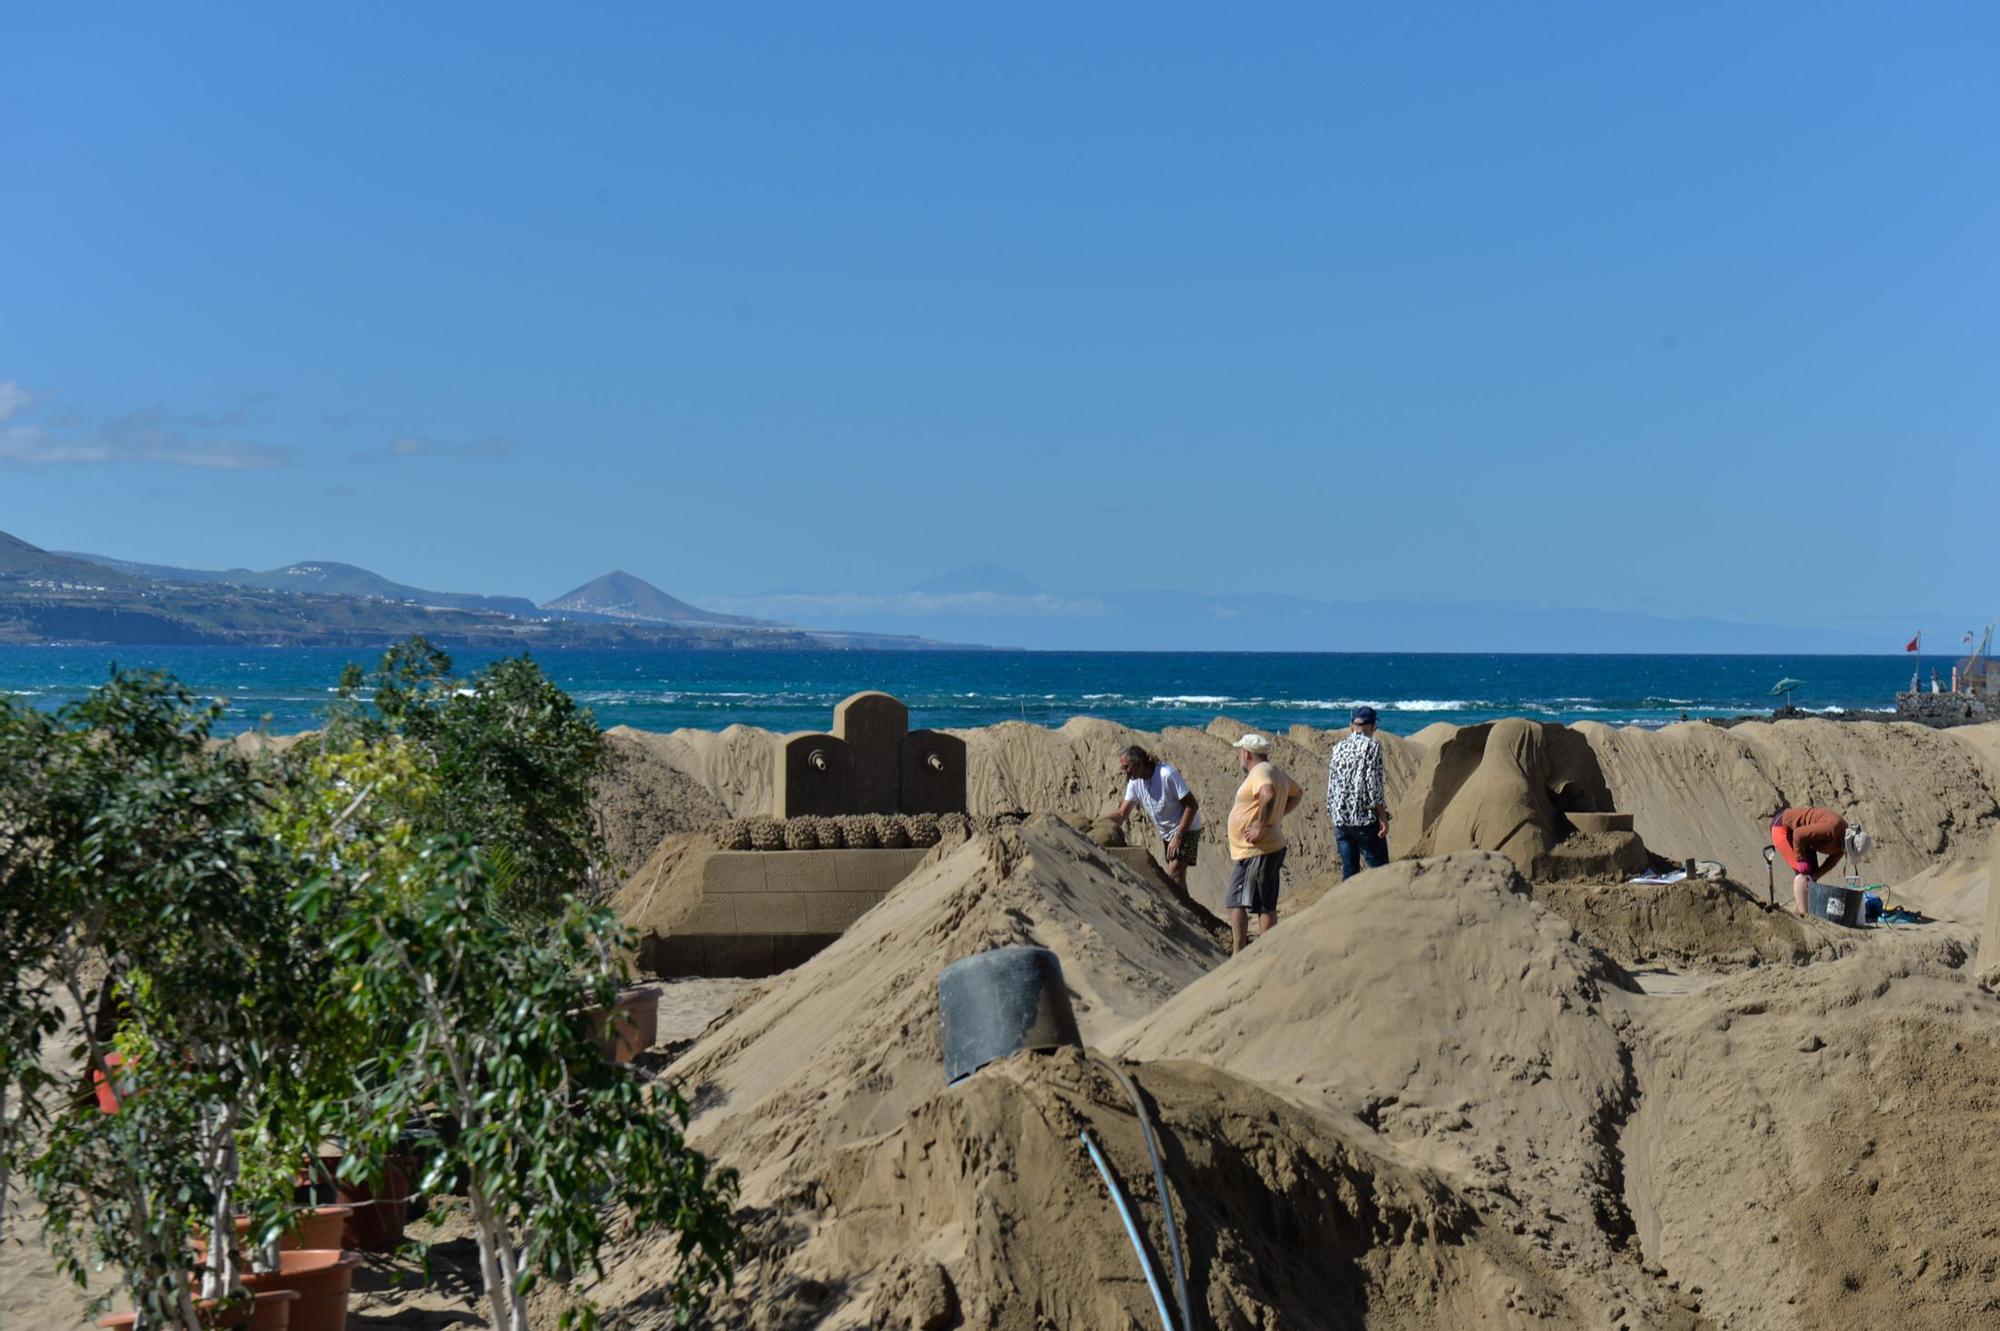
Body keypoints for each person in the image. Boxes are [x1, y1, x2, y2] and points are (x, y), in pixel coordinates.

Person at [1224, 733, 1303, 954]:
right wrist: (1273, 819)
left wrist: (1261, 825)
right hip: (1269, 846)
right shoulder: (1274, 771)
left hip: (1256, 849)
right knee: (1266, 904)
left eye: (1241, 752)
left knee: (1235, 901)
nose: (1240, 756)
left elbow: (1267, 794)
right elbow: (1297, 794)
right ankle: (1266, 952)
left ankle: (1240, 952)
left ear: (1247, 754)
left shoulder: (1259, 772)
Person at [1111, 745, 1202, 891]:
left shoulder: (1166, 774)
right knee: (1177, 875)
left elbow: (1192, 806)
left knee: (1175, 872)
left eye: (1127, 767)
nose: (1125, 772)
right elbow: (1122, 814)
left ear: (1139, 763)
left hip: (1187, 827)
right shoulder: (1134, 783)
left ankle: (1183, 911)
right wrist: (1099, 823)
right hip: (1166, 833)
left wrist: (1178, 836)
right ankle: (1187, 909)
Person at [1325, 705, 1390, 880]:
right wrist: (1382, 816)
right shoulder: (1372, 746)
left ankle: (1348, 907)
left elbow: (1332, 782)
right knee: (1381, 873)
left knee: (1349, 872)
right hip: (1363, 819)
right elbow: (1373, 785)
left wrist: (1333, 812)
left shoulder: (1338, 747)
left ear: (1351, 726)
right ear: (1372, 726)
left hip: (1340, 819)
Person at [1771, 806, 1871, 915]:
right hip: (1783, 827)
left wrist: (1816, 876)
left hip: (1804, 839)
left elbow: (1831, 862)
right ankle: (1803, 915)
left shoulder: (1843, 844)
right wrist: (1800, 859)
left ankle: (1803, 909)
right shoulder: (1832, 828)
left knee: (1812, 874)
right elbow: (1798, 834)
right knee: (1804, 873)